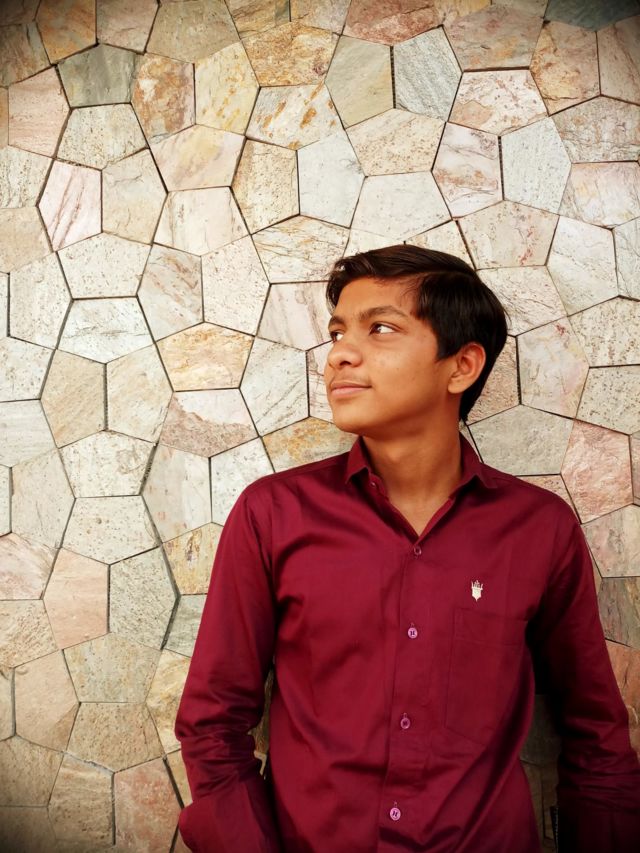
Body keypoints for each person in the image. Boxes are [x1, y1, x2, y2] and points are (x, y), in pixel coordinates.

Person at [174, 245, 640, 852]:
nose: (339, 353)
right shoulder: (274, 515)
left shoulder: (538, 529)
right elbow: (212, 724)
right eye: (337, 332)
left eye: (381, 329)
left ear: (461, 366)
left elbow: (597, 737)